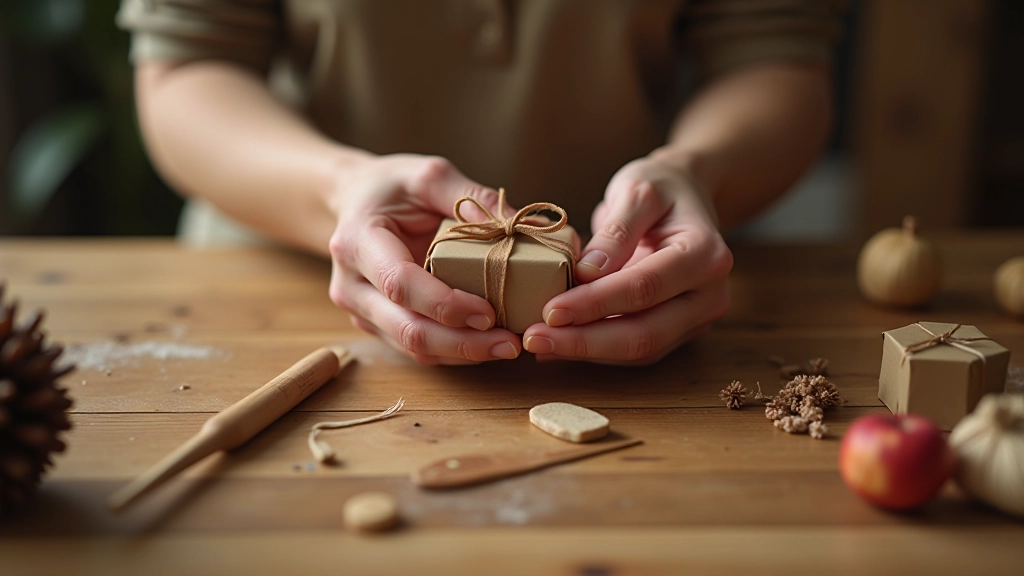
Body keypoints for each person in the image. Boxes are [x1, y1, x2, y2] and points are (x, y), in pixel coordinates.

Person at [117, 0, 842, 366]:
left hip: (646, 302)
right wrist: (339, 188)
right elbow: (183, 66)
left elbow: (774, 56)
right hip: (274, 300)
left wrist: (698, 169)